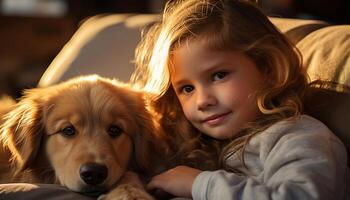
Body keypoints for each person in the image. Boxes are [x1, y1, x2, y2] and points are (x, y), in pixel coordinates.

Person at [131, 0, 350, 199]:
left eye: (219, 75)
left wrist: (199, 184)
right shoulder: (199, 145)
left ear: (268, 67)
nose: (202, 101)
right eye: (187, 88)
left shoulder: (298, 137)